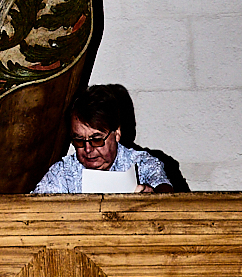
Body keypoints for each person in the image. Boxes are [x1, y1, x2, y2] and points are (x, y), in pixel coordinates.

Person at [32, 82, 173, 193]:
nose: (87, 149)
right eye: (79, 140)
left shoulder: (141, 163)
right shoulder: (62, 173)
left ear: (117, 133)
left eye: (96, 139)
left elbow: (166, 191)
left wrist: (154, 197)